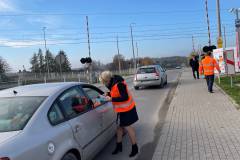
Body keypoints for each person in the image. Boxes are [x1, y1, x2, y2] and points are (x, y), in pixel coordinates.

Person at [99, 71, 139, 157]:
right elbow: (117, 93)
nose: (105, 84)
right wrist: (108, 94)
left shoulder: (119, 84)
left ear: (108, 79)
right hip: (122, 110)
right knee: (119, 128)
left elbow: (124, 97)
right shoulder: (113, 83)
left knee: (128, 128)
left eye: (104, 82)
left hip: (128, 109)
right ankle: (119, 146)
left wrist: (111, 99)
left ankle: (135, 148)